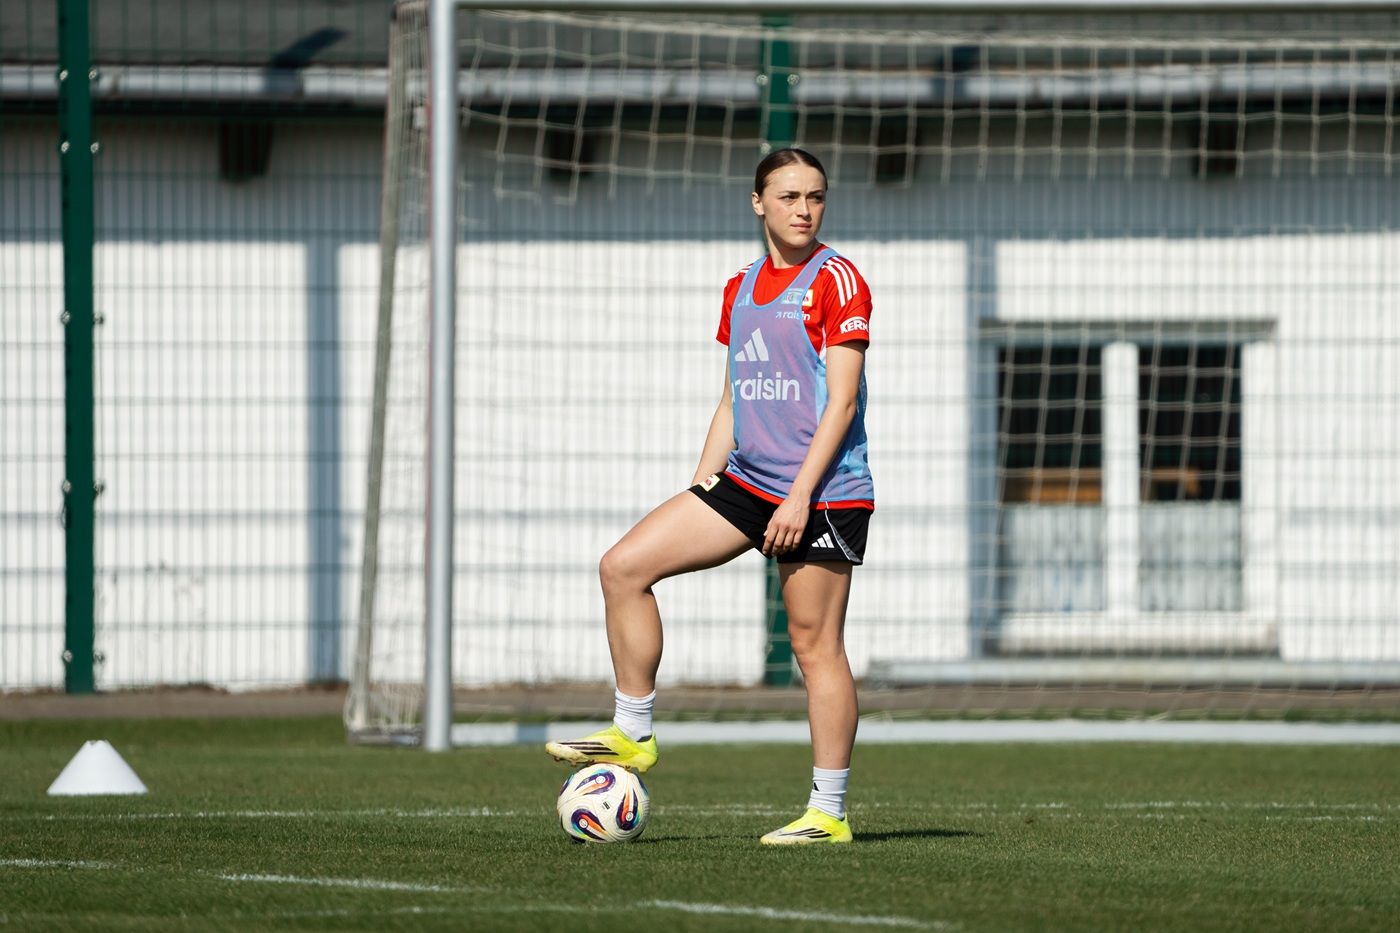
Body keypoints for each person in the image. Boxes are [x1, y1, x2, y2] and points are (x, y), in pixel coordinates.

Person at [546, 147, 874, 845]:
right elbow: (734, 395)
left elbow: (841, 403)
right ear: (758, 202)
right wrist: (704, 478)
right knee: (623, 566)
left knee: (817, 648)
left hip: (822, 492)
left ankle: (828, 813)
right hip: (748, 482)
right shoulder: (742, 286)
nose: (803, 209)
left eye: (815, 196)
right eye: (787, 196)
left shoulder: (838, 280)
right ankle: (634, 732)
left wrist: (799, 497)